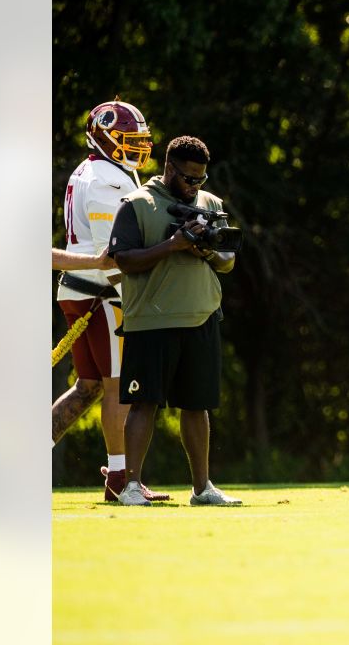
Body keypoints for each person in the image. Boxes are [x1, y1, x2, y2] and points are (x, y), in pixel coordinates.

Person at [107, 135, 242, 506]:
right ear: (169, 168)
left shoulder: (210, 203)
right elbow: (124, 259)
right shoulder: (137, 205)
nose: (194, 186)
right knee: (144, 403)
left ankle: (202, 488)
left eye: (200, 178)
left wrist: (207, 251)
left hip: (201, 317)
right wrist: (173, 246)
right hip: (151, 319)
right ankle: (131, 486)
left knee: (197, 406)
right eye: (188, 178)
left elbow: (228, 259)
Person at [53, 100, 168, 502]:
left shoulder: (93, 171)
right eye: (127, 139)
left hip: (79, 290)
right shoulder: (108, 179)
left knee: (87, 387)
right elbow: (113, 255)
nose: (136, 147)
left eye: (139, 140)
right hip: (102, 293)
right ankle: (120, 480)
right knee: (119, 388)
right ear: (104, 137)